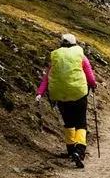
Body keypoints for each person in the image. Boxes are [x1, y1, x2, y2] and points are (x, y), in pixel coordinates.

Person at [36, 33, 97, 169]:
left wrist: (39, 93)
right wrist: (93, 84)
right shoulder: (80, 55)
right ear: (74, 43)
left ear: (61, 44)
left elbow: (47, 77)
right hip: (79, 93)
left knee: (68, 122)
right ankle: (80, 151)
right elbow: (89, 74)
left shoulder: (56, 56)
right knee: (81, 122)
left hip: (61, 95)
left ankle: (70, 150)